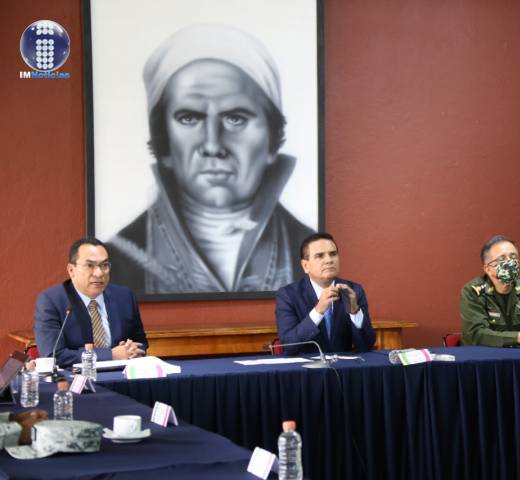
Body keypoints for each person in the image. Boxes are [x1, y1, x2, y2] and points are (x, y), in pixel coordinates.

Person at [107, 24, 313, 295]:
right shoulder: (116, 263)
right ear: (163, 139)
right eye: (189, 118)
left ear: (272, 139)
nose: (213, 145)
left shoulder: (310, 251)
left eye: (236, 118)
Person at [34, 237, 148, 368]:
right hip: (77, 378)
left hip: (122, 374)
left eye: (104, 265)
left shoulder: (124, 296)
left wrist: (131, 349)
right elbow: (53, 355)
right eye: (90, 265)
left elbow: (141, 342)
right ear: (71, 270)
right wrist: (111, 355)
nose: (99, 273)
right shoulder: (51, 301)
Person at [275, 233, 376, 354]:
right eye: (319, 256)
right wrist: (318, 311)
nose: (329, 260)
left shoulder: (353, 290)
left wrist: (355, 312)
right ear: (305, 266)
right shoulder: (288, 295)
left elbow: (367, 345)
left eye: (333, 254)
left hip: (344, 365)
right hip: (307, 365)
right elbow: (289, 346)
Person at [460, 235, 520, 348]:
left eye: (513, 257)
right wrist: (517, 338)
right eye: (502, 259)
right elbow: (475, 334)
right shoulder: (473, 291)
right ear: (488, 269)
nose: (510, 262)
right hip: (486, 355)